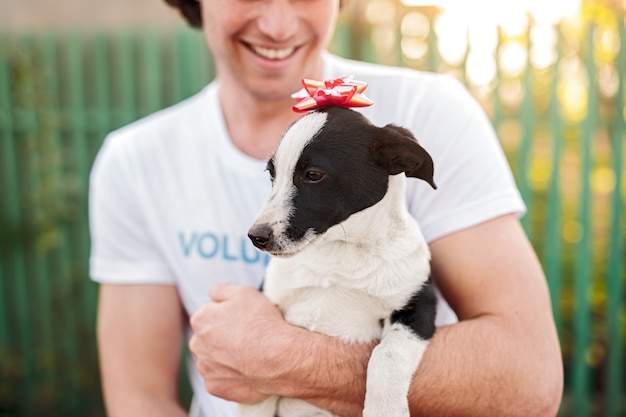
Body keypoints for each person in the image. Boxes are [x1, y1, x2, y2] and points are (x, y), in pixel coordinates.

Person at [89, 0, 564, 416]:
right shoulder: (133, 162)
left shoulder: (433, 112)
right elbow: (141, 399)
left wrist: (288, 360)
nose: (277, 24)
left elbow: (530, 382)